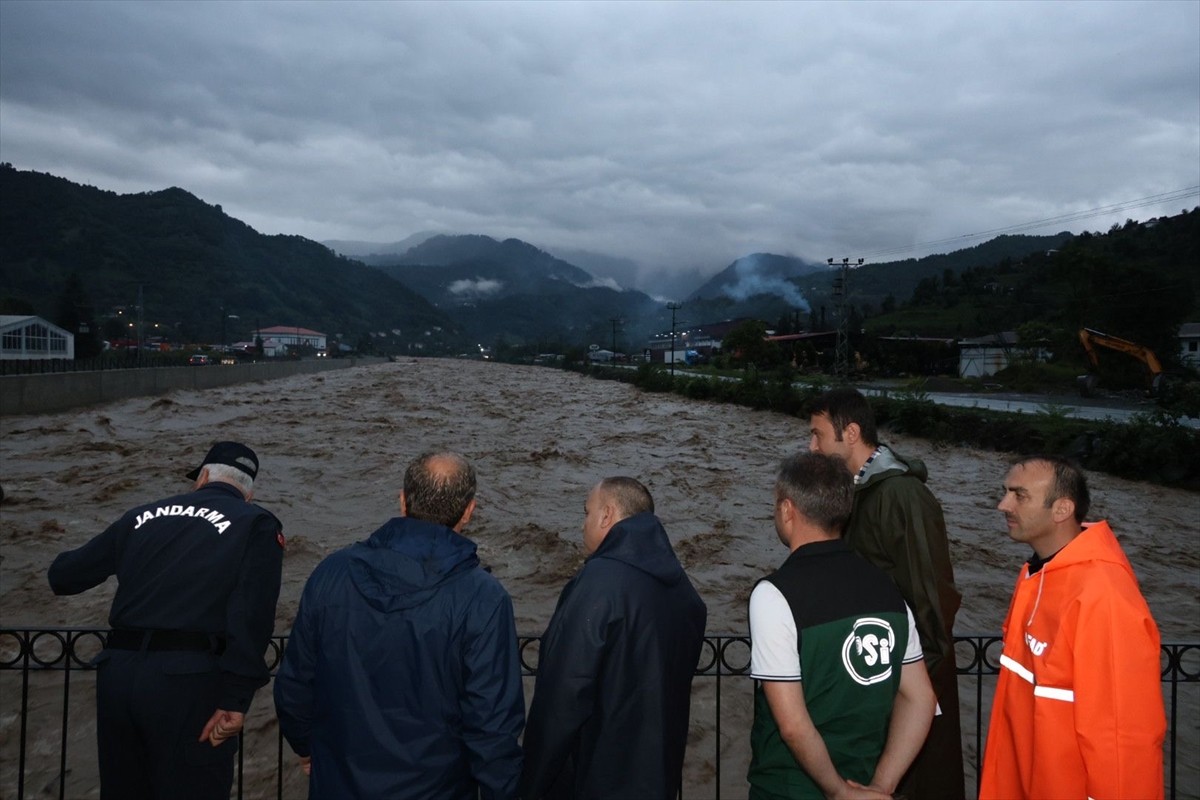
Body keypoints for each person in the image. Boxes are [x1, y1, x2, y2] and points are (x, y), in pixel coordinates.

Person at [273, 451, 524, 799]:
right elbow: (492, 726)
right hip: (436, 789)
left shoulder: (333, 572)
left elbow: (295, 684)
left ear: (403, 501)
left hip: (341, 782)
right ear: (469, 510)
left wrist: (306, 745)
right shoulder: (483, 598)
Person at [47, 441, 284, 800]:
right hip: (188, 683)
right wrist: (236, 699)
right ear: (248, 493)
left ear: (202, 477)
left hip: (117, 675)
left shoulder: (141, 515)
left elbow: (63, 577)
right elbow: (252, 615)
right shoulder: (255, 523)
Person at [748, 452, 936, 799]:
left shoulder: (774, 594)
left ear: (788, 510)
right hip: (866, 779)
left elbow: (792, 725)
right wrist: (881, 786)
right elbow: (921, 698)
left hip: (790, 788)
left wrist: (838, 792)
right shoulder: (887, 589)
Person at [807, 387, 964, 799]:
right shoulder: (856, 493)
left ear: (851, 433)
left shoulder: (901, 496)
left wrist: (915, 692)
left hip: (901, 683)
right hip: (874, 678)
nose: (811, 447)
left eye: (818, 435)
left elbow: (932, 598)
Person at [980, 455, 1166, 799]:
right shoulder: (1037, 573)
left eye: (1019, 495)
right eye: (1005, 491)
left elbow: (1123, 735)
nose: (1002, 504)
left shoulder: (1102, 594)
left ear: (1062, 509)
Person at [520, 477, 707, 800]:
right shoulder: (683, 592)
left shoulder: (598, 583)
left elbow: (564, 694)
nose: (583, 525)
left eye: (587, 512)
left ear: (607, 515)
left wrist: (531, 782)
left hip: (595, 778)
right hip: (659, 776)